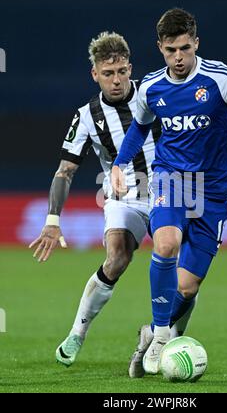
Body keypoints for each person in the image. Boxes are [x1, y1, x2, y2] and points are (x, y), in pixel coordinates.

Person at [112, 8, 227, 375]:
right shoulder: (152, 87)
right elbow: (139, 128)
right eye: (171, 50)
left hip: (215, 189)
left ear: (196, 43)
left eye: (185, 48)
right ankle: (161, 339)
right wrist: (121, 165)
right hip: (172, 179)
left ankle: (151, 330)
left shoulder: (221, 79)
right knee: (166, 245)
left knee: (186, 288)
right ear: (160, 48)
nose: (179, 58)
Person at [29, 31, 165, 367]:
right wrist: (52, 220)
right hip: (124, 195)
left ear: (130, 68)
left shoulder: (153, 94)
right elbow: (65, 171)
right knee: (116, 257)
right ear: (95, 74)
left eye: (121, 72)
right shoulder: (87, 116)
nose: (116, 80)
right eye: (108, 73)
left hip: (170, 191)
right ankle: (77, 333)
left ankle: (160, 335)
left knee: (181, 271)